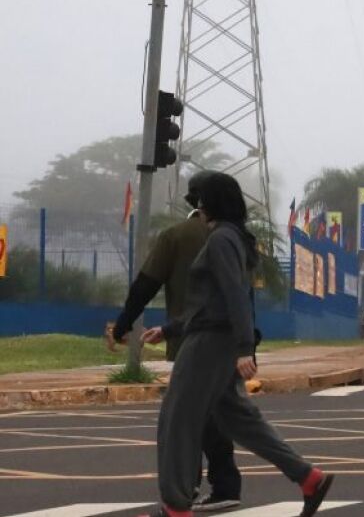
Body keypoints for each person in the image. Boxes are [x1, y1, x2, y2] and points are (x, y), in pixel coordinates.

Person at [138, 172, 333, 517]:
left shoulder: (221, 240)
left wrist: (245, 347)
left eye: (198, 201)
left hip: (209, 345)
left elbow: (234, 295)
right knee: (239, 420)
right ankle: (309, 479)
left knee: (178, 420)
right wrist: (169, 330)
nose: (196, 209)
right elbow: (210, 301)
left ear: (210, 203)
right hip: (215, 339)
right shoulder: (230, 237)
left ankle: (176, 507)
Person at [106, 171, 244, 511]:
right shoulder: (236, 236)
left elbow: (145, 285)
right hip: (228, 342)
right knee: (220, 415)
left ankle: (183, 494)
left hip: (193, 341)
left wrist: (123, 324)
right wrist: (246, 345)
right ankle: (230, 483)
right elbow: (241, 296)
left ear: (195, 201)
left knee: (183, 420)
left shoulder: (177, 236)